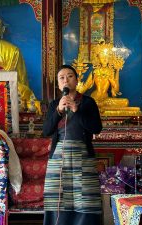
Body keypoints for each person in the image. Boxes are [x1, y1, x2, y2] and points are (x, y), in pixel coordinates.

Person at [43, 65, 102, 225]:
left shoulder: (88, 102)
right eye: (61, 77)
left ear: (76, 80)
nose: (65, 80)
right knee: (58, 196)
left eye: (69, 76)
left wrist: (77, 110)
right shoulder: (54, 104)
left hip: (82, 153)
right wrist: (58, 112)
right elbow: (46, 131)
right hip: (59, 154)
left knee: (85, 196)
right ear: (58, 84)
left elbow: (96, 128)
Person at [0, 14, 38, 108]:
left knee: (22, 90)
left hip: (6, 84)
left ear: (3, 29)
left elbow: (20, 77)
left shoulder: (13, 50)